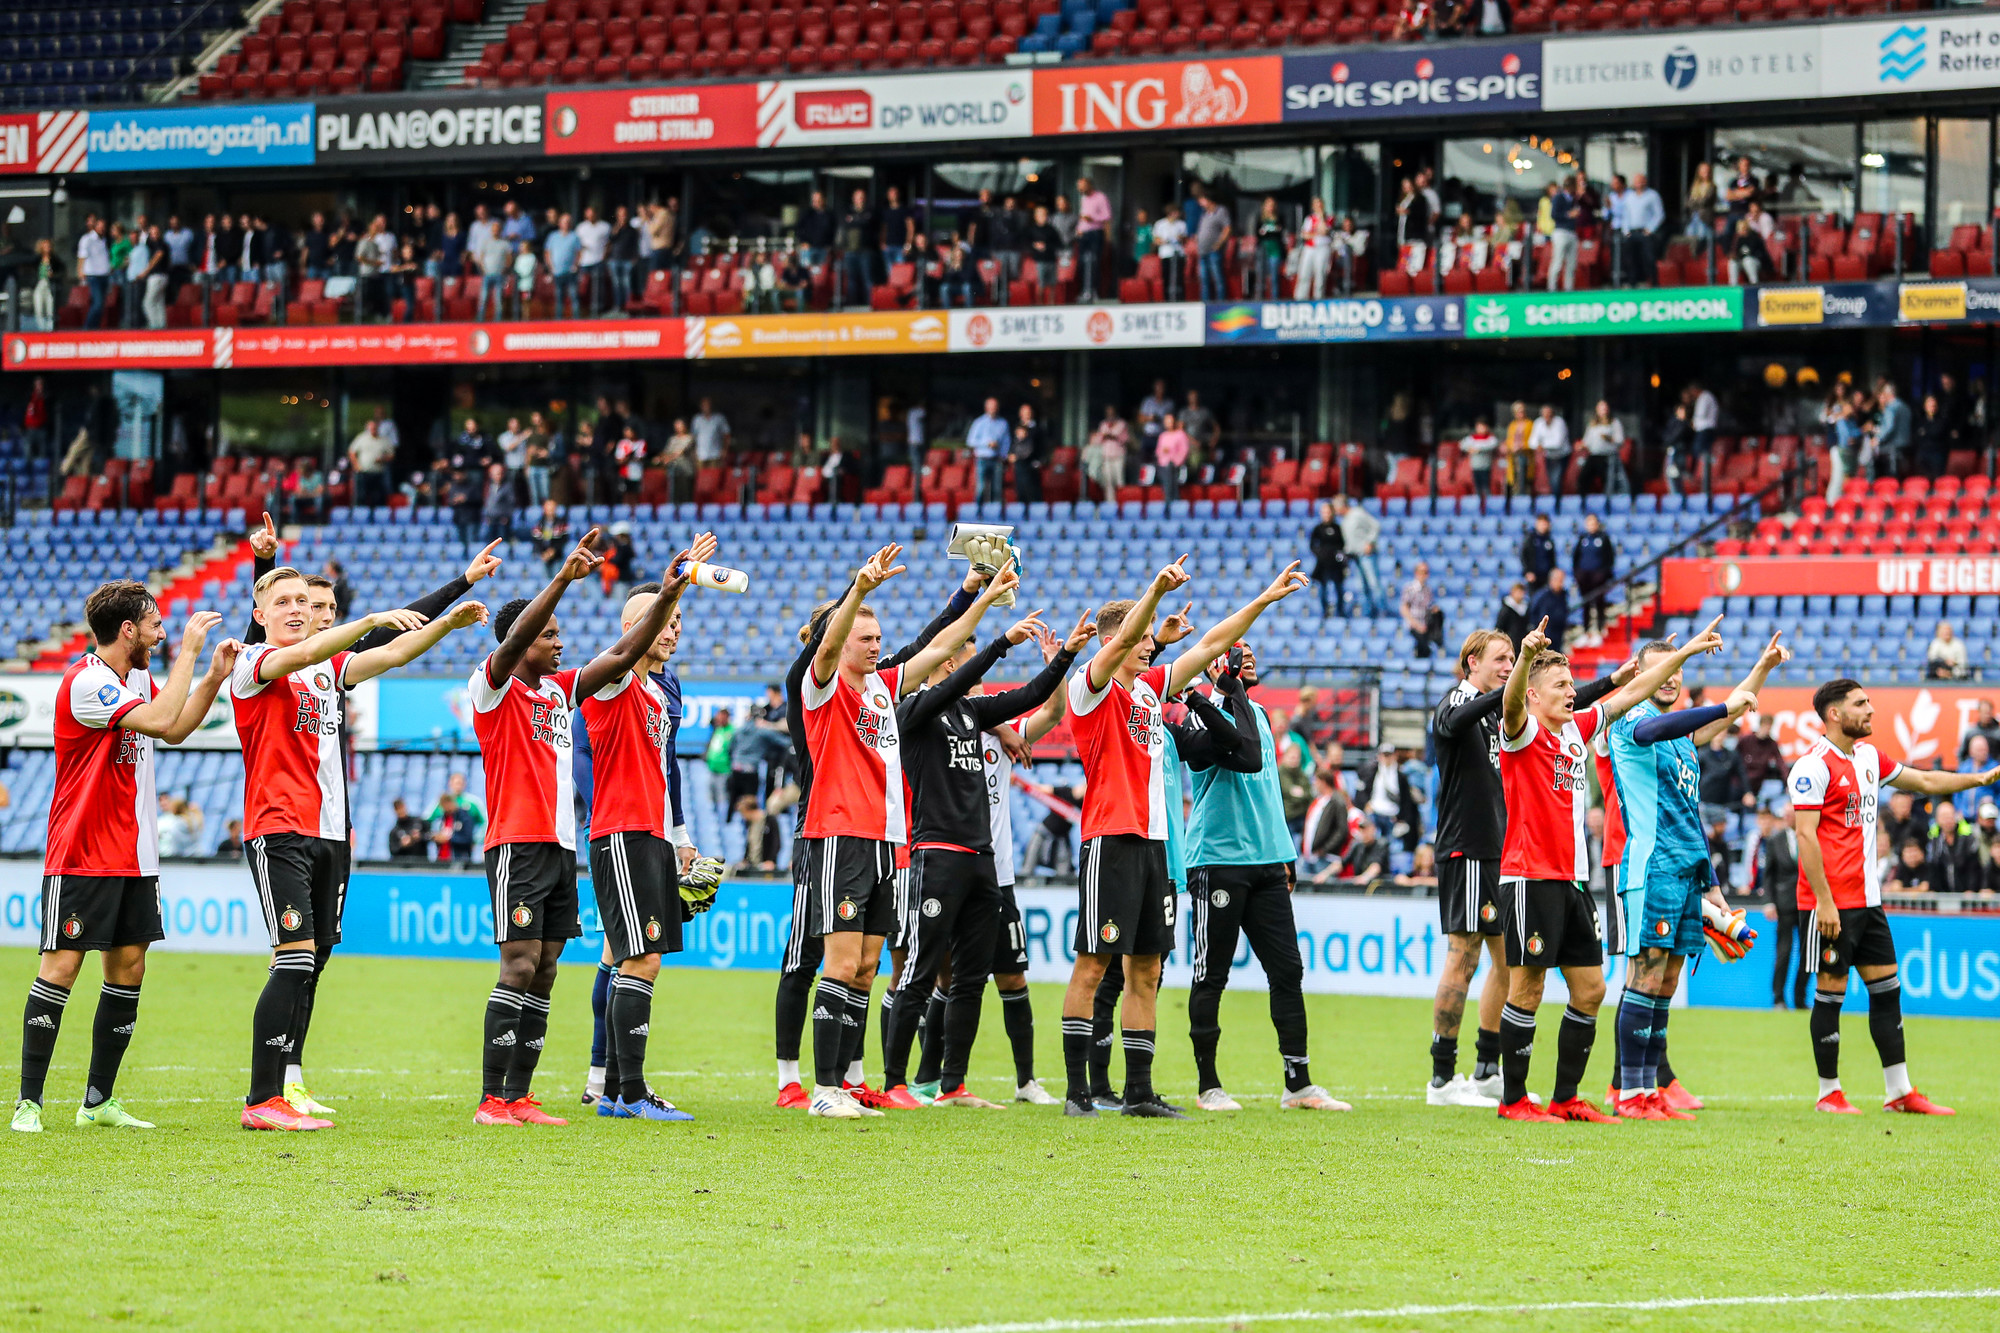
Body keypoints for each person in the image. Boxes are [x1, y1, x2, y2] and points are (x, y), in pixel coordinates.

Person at [232, 570, 487, 1131]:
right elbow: (299, 656)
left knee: (312, 960)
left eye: (305, 601)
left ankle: (287, 1085)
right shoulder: (252, 665)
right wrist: (368, 620)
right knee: (294, 958)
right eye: (284, 602)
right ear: (260, 615)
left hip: (329, 835)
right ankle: (262, 1099)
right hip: (279, 831)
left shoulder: (328, 671)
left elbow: (393, 655)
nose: (298, 609)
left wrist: (447, 623)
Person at [1060, 555, 1310, 1119]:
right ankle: (1079, 1091)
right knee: (1094, 964)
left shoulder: (1150, 691)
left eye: (1152, 639)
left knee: (1147, 968)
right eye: (1142, 639)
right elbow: (1123, 638)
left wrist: (1264, 600)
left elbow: (1214, 641)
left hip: (1156, 845)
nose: (1152, 646)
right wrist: (1153, 591)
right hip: (1112, 839)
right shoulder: (1091, 688)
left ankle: (1139, 1091)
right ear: (1115, 641)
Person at [791, 547, 1013, 1119]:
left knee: (867, 967)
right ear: (840, 643)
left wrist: (985, 598)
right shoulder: (822, 688)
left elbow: (941, 646)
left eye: (877, 637)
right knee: (839, 964)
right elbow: (833, 644)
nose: (874, 645)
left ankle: (844, 1082)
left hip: (886, 840)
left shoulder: (883, 689)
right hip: (838, 835)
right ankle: (823, 1090)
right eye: (864, 638)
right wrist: (858, 592)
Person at [11, 592, 235, 1135]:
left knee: (128, 968)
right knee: (62, 968)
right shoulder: (86, 681)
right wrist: (189, 652)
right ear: (129, 630)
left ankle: (97, 1101)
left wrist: (211, 678)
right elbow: (159, 721)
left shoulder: (134, 679)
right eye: (156, 626)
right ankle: (29, 1104)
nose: (162, 635)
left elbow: (176, 728)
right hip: (84, 852)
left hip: (137, 855)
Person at [1492, 613, 1723, 1122]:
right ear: (1534, 695)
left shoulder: (1579, 728)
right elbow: (1509, 703)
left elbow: (1631, 692)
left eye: (1573, 683)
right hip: (1530, 878)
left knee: (1592, 988)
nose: (1572, 692)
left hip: (1574, 881)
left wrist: (1679, 656)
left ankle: (1565, 1098)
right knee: (1527, 986)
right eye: (1560, 685)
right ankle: (1513, 1101)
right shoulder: (1520, 733)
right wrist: (1527, 657)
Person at [877, 602, 1076, 1106]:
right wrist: (1000, 643)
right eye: (961, 658)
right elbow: (956, 679)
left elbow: (1032, 696)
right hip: (936, 855)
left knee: (970, 978)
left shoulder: (974, 713)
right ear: (947, 663)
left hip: (981, 860)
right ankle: (895, 1083)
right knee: (920, 970)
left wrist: (1067, 655)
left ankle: (953, 1085)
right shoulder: (912, 712)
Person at [1425, 630, 1633, 1109]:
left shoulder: (1507, 709)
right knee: (1464, 955)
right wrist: (1519, 676)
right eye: (1500, 659)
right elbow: (1454, 723)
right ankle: (1441, 1077)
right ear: (1471, 661)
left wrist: (1608, 682)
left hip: (1504, 852)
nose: (1506, 666)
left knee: (1506, 965)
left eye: (1510, 660)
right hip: (1470, 846)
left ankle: (1487, 1068)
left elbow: (1561, 702)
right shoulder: (1461, 700)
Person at [1792, 679, 1999, 1114]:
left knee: (1887, 992)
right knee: (1831, 994)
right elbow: (1806, 838)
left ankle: (1899, 1092)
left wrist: (1976, 778)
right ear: (1834, 714)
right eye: (1860, 703)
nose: (1870, 710)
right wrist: (1825, 902)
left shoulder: (1869, 756)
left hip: (1869, 900)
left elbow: (1922, 778)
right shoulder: (1812, 767)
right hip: (1829, 905)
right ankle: (1828, 1092)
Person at [1604, 631, 1786, 1120]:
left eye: (1680, 667)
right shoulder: (1630, 720)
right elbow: (1699, 718)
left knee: (1665, 983)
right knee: (1644, 978)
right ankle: (1629, 1094)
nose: (1674, 675)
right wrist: (1723, 705)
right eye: (1665, 666)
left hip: (1687, 869)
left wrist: (1762, 668)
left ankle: (1649, 1091)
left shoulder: (1680, 737)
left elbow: (1729, 711)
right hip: (1651, 864)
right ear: (1643, 676)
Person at [573, 543, 713, 1123]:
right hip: (621, 830)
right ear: (630, 629)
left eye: (679, 621)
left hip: (651, 832)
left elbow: (668, 768)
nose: (673, 630)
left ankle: (613, 1090)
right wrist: (671, 587)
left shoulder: (662, 689)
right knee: (640, 958)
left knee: (637, 958)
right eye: (663, 620)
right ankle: (626, 1092)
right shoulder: (614, 677)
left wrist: (680, 835)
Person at [1183, 642, 1348, 1112]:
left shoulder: (1255, 710)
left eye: (1251, 653)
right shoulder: (1205, 712)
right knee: (1211, 973)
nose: (1247, 657)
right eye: (1237, 652)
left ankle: (1297, 1083)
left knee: (1287, 971)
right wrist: (1221, 691)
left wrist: (1285, 852)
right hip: (1218, 857)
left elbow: (1267, 790)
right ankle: (1208, 1085)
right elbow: (1228, 760)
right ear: (1215, 664)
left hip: (1267, 861)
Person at [1756, 805, 1806, 1010]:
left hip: (1807, 905)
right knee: (1783, 953)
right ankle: (1778, 999)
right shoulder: (1775, 841)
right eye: (1786, 815)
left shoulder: (1810, 836)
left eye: (1792, 814)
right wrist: (1769, 902)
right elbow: (1768, 875)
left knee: (1807, 955)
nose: (1788, 818)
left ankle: (1800, 999)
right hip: (1784, 905)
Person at [1571, 514, 1616, 644]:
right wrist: (1578, 574)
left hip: (1599, 579)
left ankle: (1600, 629)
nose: (1591, 525)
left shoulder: (1603, 538)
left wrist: (1604, 575)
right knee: (1585, 604)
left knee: (1599, 603)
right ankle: (1586, 631)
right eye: (1588, 523)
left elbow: (1609, 558)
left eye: (1593, 523)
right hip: (1584, 579)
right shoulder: (1582, 538)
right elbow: (1576, 558)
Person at [1337, 495, 1383, 617]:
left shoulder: (1357, 513)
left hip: (1366, 555)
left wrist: (1370, 542)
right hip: (1356, 557)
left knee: (1374, 584)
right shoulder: (1344, 520)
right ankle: (1368, 614)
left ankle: (1382, 611)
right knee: (1362, 587)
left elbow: (1376, 526)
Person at [1579, 403, 1628, 499]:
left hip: (1608, 456)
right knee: (1583, 479)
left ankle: (1607, 503)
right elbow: (1587, 441)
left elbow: (1620, 441)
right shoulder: (1592, 424)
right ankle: (1584, 503)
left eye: (1605, 409)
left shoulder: (1614, 423)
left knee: (1608, 482)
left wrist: (1609, 439)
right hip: (1594, 456)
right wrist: (1581, 446)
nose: (1604, 411)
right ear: (1597, 411)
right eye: (1601, 409)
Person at [967, 397, 1010, 507]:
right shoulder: (979, 422)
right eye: (991, 406)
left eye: (995, 406)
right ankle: (977, 513)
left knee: (997, 488)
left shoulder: (1003, 423)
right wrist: (987, 443)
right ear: (986, 408)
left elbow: (1006, 441)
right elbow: (970, 441)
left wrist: (1003, 455)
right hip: (982, 459)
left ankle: (996, 515)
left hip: (997, 459)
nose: (993, 409)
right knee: (981, 488)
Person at [1308, 500, 1347, 619]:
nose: (1326, 514)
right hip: (1323, 564)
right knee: (1322, 589)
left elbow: (1343, 544)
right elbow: (1312, 545)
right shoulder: (1318, 529)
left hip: (1336, 564)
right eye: (1324, 512)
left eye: (1328, 511)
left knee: (1338, 588)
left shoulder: (1338, 528)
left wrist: (1339, 556)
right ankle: (1325, 611)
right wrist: (1320, 554)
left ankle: (1340, 611)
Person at [1083, 405, 1129, 500]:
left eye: (1112, 412)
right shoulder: (1103, 424)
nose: (1110, 414)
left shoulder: (1122, 424)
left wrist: (1111, 436)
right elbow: (1099, 439)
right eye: (1108, 412)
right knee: (1108, 482)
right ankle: (1110, 504)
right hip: (1107, 456)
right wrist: (1103, 436)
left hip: (1118, 456)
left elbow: (1125, 439)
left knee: (1119, 481)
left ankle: (1121, 503)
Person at [347, 419, 394, 511]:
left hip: (378, 473)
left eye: (375, 428)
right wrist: (356, 466)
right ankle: (361, 516)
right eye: (371, 428)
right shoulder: (361, 438)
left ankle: (377, 517)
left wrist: (383, 459)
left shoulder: (384, 440)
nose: (373, 430)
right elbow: (351, 452)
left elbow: (391, 455)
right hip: (364, 472)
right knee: (362, 496)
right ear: (368, 429)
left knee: (378, 497)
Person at [1401, 561, 1443, 658]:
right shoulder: (1410, 588)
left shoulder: (1428, 590)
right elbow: (1404, 609)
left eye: (1426, 572)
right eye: (1422, 572)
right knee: (1422, 646)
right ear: (1416, 573)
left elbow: (1428, 606)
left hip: (1425, 625)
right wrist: (1416, 625)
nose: (1425, 575)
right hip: (1414, 626)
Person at [1528, 404, 1570, 496]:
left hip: (1561, 456)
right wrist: (1538, 445)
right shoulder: (1538, 423)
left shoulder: (1559, 422)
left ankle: (1557, 502)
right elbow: (1532, 442)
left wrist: (1541, 445)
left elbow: (1558, 443)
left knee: (1556, 479)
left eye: (1549, 414)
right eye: (1544, 414)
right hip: (1549, 456)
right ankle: (1554, 500)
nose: (1547, 416)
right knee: (1551, 480)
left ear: (1553, 414)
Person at [1196, 197, 1231, 302]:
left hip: (1213, 251)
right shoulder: (1204, 214)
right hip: (1203, 251)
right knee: (1204, 279)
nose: (1200, 203)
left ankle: (1220, 302)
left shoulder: (1220, 211)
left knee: (1217, 278)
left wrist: (1219, 244)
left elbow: (1227, 228)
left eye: (1202, 200)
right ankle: (1205, 302)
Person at [1013, 403, 1048, 505]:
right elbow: (1013, 445)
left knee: (1033, 491)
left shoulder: (1037, 429)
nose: (1026, 415)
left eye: (1028, 413)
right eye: (1024, 413)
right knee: (1021, 490)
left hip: (1032, 464)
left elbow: (1041, 446)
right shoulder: (1016, 427)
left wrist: (1040, 460)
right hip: (1020, 464)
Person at [1523, 567, 1567, 648]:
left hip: (1558, 635)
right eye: (1559, 580)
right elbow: (1532, 612)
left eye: (1562, 580)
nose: (1561, 583)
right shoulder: (1542, 596)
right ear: (1552, 580)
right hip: (1544, 635)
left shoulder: (1563, 595)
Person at [1152, 204, 1188, 300]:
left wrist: (1180, 238)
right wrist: (1164, 241)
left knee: (1179, 277)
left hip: (1178, 253)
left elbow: (1185, 239)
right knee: (1166, 276)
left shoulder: (1181, 224)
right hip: (1166, 254)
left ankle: (1180, 298)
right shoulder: (1160, 224)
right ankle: (1167, 298)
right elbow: (1156, 239)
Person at [1154, 412, 1188, 506]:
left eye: (1170, 421)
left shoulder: (1180, 434)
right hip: (1163, 465)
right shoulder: (1162, 436)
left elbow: (1184, 451)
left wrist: (1175, 461)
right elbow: (1158, 451)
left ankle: (1173, 507)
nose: (1168, 423)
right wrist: (1163, 453)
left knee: (1172, 488)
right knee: (1166, 489)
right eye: (1166, 421)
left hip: (1174, 466)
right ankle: (1168, 505)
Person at [1462, 417, 1500, 499]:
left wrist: (1478, 449)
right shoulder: (1472, 438)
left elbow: (1492, 445)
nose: (1481, 429)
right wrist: (1470, 449)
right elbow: (1462, 445)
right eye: (1479, 426)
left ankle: (1488, 505)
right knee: (1477, 488)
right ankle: (1478, 505)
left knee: (1486, 487)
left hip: (1486, 467)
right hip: (1475, 466)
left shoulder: (1490, 438)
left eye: (1482, 426)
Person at [1519, 512, 1556, 591]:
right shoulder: (1530, 538)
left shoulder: (1549, 540)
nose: (1543, 526)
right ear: (1536, 524)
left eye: (1545, 524)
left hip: (1546, 576)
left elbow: (1552, 558)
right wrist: (1527, 571)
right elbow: (1523, 555)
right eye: (1541, 523)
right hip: (1533, 576)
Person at [691, 397, 731, 467]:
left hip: (715, 454)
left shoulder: (719, 418)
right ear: (701, 407)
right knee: (701, 476)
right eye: (704, 405)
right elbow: (693, 437)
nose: (706, 407)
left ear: (712, 405)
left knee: (714, 476)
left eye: (708, 405)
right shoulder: (697, 419)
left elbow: (727, 435)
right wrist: (693, 452)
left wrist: (725, 450)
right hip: (700, 455)